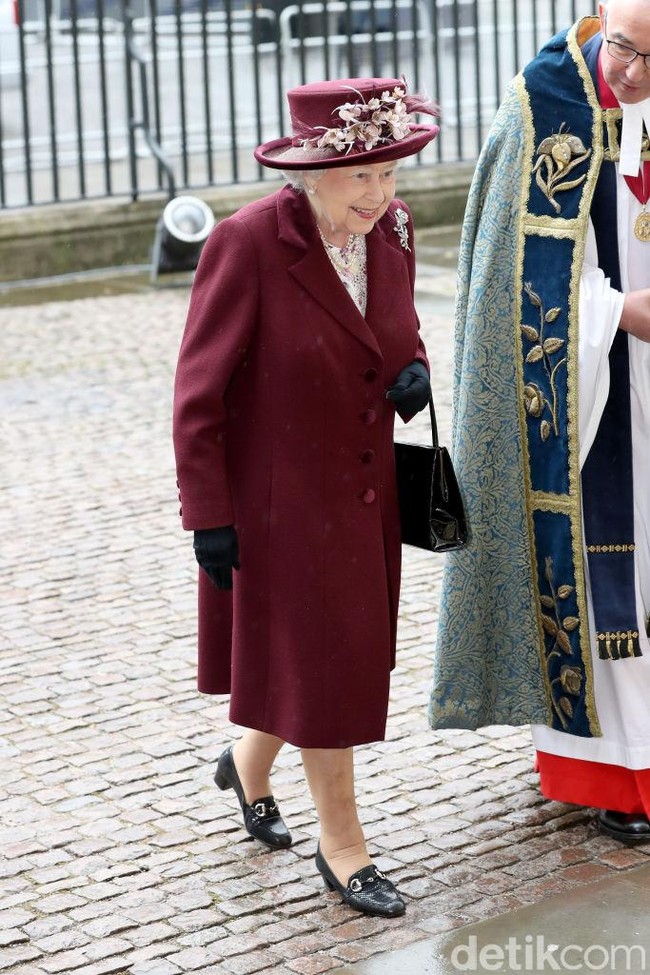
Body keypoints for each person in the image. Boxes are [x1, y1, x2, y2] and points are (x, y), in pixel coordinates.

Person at [173, 77, 439, 916]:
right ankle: (345, 850)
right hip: (280, 508)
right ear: (311, 172)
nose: (381, 193)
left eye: (390, 172)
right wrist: (209, 518)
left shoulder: (391, 228)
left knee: (331, 662)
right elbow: (198, 395)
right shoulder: (246, 243)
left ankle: (246, 768)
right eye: (361, 175)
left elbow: (396, 329)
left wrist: (414, 372)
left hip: (364, 499)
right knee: (326, 671)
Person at [430, 0, 650, 844]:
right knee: (607, 580)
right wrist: (619, 314)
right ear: (599, 16)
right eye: (624, 48)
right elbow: (514, 278)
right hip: (587, 396)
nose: (629, 74)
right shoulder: (545, 100)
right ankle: (613, 774)